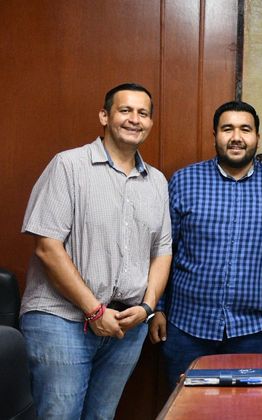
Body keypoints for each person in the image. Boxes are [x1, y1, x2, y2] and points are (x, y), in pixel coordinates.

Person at [19, 83, 172, 419]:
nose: (135, 119)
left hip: (126, 327)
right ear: (104, 116)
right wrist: (93, 310)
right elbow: (47, 247)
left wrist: (147, 306)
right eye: (125, 110)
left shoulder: (157, 181)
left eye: (143, 113)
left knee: (101, 416)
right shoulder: (68, 166)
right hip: (62, 321)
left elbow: (161, 251)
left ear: (151, 123)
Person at [149, 101, 262, 386]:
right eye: (227, 129)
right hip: (187, 327)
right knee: (185, 411)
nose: (236, 137)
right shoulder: (184, 180)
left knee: (247, 412)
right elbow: (164, 249)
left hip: (253, 330)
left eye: (245, 129)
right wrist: (158, 308)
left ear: (257, 137)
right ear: (215, 134)